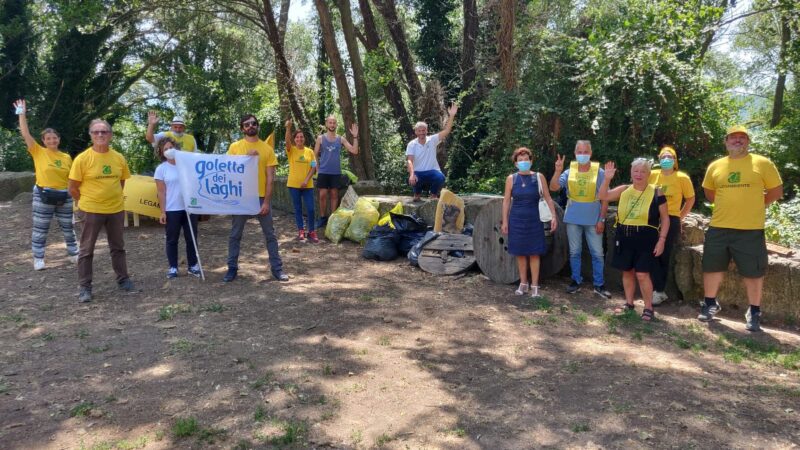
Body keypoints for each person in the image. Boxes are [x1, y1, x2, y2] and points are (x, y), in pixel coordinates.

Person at [698, 125, 783, 331]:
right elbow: (710, 193)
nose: (738, 140)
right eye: (733, 137)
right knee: (712, 267)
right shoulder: (716, 166)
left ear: (748, 142)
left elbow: (776, 191)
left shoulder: (762, 163)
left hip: (750, 228)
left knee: (753, 272)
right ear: (726, 142)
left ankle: (754, 311)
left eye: (742, 137)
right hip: (719, 226)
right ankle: (710, 304)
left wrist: (754, 204)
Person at [68, 119, 134, 302]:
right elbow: (72, 187)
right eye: (96, 132)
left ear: (110, 135)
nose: (100, 135)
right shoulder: (82, 159)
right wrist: (85, 202)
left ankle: (123, 279)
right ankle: (85, 288)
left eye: (104, 132)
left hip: (115, 209)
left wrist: (112, 197)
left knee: (118, 247)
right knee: (86, 250)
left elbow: (121, 181)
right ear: (90, 135)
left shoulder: (119, 158)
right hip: (90, 210)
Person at [599, 158, 669, 322]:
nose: (639, 174)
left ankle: (648, 308)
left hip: (646, 237)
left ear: (649, 174)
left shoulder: (657, 192)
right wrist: (607, 178)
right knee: (627, 271)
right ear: (631, 173)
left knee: (643, 274)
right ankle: (629, 303)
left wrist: (662, 240)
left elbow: (665, 219)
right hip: (624, 235)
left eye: (643, 171)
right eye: (636, 171)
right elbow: (603, 196)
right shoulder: (624, 189)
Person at [12, 99, 78, 270]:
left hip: (65, 195)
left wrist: (76, 196)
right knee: (41, 227)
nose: (52, 140)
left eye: (54, 138)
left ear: (59, 139)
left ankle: (73, 253)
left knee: (68, 227)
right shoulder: (38, 151)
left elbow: (72, 177)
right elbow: (25, 133)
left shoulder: (66, 157)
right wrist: (22, 113)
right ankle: (39, 258)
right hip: (43, 195)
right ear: (43, 140)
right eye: (48, 138)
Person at [223, 114, 289, 283]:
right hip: (241, 198)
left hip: (260, 198)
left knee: (270, 235)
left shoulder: (267, 149)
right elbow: (227, 172)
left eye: (253, 123)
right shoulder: (234, 147)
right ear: (242, 128)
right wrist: (246, 159)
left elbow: (270, 178)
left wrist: (266, 201)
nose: (250, 126)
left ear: (257, 126)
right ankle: (232, 269)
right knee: (235, 235)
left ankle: (277, 269)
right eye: (246, 124)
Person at [549, 140, 611, 298]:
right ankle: (575, 281)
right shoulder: (570, 171)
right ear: (575, 153)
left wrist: (602, 220)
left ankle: (599, 285)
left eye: (586, 152)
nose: (582, 155)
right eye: (579, 152)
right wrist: (557, 170)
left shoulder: (600, 173)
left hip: (594, 219)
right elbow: (554, 187)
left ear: (591, 153)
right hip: (573, 219)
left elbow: (606, 199)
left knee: (597, 253)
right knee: (574, 252)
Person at [501, 147, 558, 297]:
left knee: (534, 253)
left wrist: (554, 216)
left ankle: (535, 286)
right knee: (520, 253)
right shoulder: (511, 179)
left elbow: (548, 198)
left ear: (531, 161)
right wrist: (505, 221)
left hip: (534, 220)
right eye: (520, 160)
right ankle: (523, 283)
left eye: (526, 159)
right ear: (516, 163)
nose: (524, 162)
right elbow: (506, 201)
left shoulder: (539, 177)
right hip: (516, 220)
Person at [648, 145, 695, 305]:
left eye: (670, 157)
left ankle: (659, 291)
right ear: (659, 159)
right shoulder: (652, 175)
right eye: (663, 157)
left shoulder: (682, 177)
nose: (667, 160)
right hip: (652, 219)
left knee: (663, 254)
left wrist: (680, 217)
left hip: (671, 218)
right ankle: (655, 289)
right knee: (650, 252)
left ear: (675, 160)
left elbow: (690, 199)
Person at [154, 137, 201, 279]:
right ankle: (173, 267)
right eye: (165, 149)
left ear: (176, 148)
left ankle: (193, 266)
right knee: (172, 239)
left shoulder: (186, 165)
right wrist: (162, 211)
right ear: (162, 152)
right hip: (171, 209)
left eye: (171, 147)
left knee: (191, 238)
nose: (169, 150)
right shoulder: (161, 169)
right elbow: (161, 192)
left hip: (189, 208)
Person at [406, 103, 458, 202]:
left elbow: (447, 130)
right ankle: (417, 194)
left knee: (440, 177)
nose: (422, 132)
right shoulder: (412, 144)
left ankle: (433, 194)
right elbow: (410, 161)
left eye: (424, 130)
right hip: (418, 172)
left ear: (427, 131)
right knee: (414, 179)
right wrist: (412, 174)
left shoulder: (432, 139)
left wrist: (451, 115)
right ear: (416, 132)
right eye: (419, 131)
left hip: (432, 170)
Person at [314, 116, 359, 228]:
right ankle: (322, 217)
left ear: (336, 125)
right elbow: (314, 154)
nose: (332, 125)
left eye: (334, 123)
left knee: (334, 195)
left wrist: (355, 136)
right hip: (323, 172)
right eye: (330, 122)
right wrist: (317, 169)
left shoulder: (341, 139)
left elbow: (354, 150)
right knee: (322, 194)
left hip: (335, 172)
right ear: (326, 124)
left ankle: (332, 218)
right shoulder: (320, 138)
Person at [285, 119, 318, 243]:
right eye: (297, 137)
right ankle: (301, 230)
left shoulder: (309, 152)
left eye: (301, 137)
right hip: (293, 185)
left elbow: (313, 167)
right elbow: (287, 141)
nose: (299, 139)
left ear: (304, 139)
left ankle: (312, 231)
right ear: (295, 139)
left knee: (311, 209)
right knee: (297, 208)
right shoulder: (291, 150)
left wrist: (306, 180)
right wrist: (288, 128)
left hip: (307, 185)